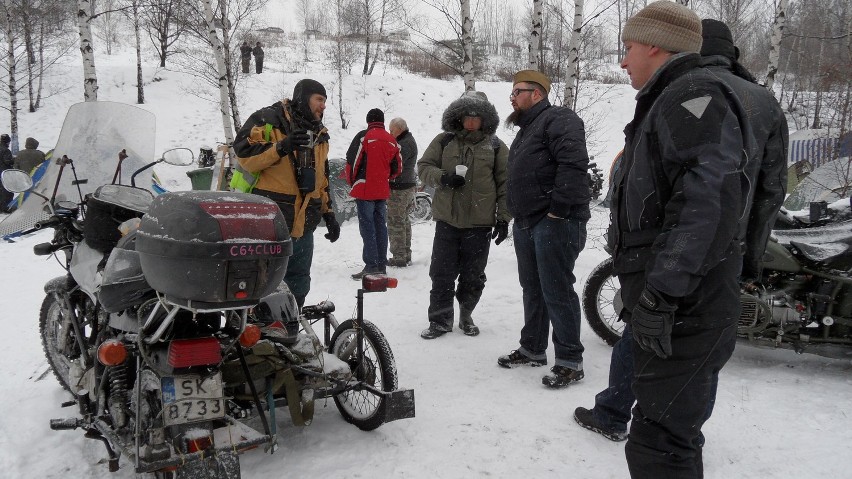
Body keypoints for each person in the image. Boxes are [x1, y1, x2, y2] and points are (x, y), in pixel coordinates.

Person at [573, 16, 789, 447]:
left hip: (677, 259)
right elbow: (771, 189)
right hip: (721, 258)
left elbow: (703, 198)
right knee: (685, 390)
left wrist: (663, 283)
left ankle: (614, 410)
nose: (622, 61)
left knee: (653, 363)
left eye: (629, 47)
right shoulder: (762, 100)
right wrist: (747, 256)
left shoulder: (693, 94)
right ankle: (659, 423)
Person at [496, 70, 590, 389]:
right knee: (533, 287)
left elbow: (573, 163)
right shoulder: (527, 130)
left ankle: (569, 361)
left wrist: (558, 211)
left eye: (517, 91)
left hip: (554, 221)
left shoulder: (558, 118)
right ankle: (533, 348)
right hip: (528, 220)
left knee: (556, 288)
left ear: (536, 94)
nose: (512, 97)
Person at [232, 79, 341, 309]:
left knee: (299, 281)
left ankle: (292, 324)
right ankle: (259, 335)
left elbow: (323, 178)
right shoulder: (268, 119)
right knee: (263, 281)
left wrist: (328, 214)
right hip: (271, 222)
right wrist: (282, 147)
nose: (323, 106)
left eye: (325, 101)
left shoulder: (320, 134)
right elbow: (244, 156)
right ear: (303, 97)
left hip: (305, 224)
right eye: (319, 100)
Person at [417, 91, 511, 339]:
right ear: (458, 117)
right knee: (441, 273)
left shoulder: (496, 146)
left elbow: (506, 183)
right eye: (466, 116)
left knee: (473, 276)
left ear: (484, 119)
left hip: (479, 225)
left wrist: (504, 218)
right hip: (447, 221)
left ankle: (466, 315)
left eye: (476, 116)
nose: (471, 121)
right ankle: (439, 321)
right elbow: (424, 167)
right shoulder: (444, 141)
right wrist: (443, 178)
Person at [345, 108, 402, 279]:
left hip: (365, 189)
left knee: (368, 228)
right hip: (382, 190)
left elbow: (352, 161)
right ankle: (381, 265)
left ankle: (371, 265)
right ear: (383, 121)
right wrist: (384, 178)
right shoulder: (392, 141)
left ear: (368, 121)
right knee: (380, 227)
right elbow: (398, 168)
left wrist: (353, 181)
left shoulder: (364, 137)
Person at [387, 117, 418, 267]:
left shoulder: (404, 144)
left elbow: (393, 164)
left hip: (400, 188)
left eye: (391, 130)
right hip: (407, 186)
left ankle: (399, 256)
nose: (390, 132)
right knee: (404, 220)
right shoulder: (408, 141)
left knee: (395, 222)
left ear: (399, 129)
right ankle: (405, 254)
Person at [0, 134, 15, 213]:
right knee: (7, 191)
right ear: (7, 142)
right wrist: (13, 160)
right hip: (4, 173)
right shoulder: (6, 150)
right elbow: (8, 161)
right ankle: (5, 208)